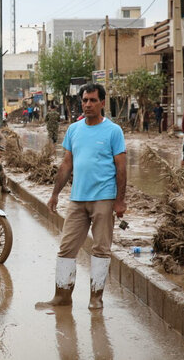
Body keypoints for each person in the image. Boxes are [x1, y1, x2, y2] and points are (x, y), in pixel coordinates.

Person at [39, 83, 126, 310]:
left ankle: (96, 298)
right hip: (77, 199)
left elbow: (121, 167)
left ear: (102, 103)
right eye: (85, 100)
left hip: (104, 198)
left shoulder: (113, 131)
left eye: (93, 100)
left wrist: (120, 201)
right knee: (67, 248)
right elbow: (67, 163)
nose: (87, 104)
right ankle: (62, 296)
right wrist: (55, 194)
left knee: (100, 249)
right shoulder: (74, 130)